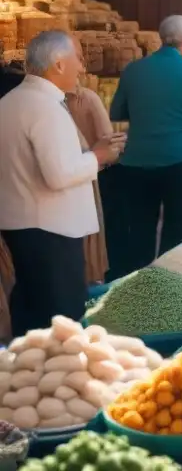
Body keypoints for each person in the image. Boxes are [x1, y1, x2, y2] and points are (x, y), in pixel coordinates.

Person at [0, 31, 124, 335]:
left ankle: (24, 375)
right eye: (77, 59)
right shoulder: (43, 107)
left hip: (25, 225)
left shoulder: (12, 100)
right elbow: (59, 175)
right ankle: (51, 379)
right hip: (49, 229)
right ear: (58, 64)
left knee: (31, 308)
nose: (81, 67)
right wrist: (99, 156)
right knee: (61, 317)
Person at [108, 15, 182, 279]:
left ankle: (139, 286)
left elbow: (116, 111)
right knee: (175, 229)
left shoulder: (134, 70)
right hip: (179, 159)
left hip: (137, 160)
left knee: (141, 228)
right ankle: (167, 285)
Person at [66, 39, 116, 286]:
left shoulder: (84, 98)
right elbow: (110, 145)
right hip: (85, 178)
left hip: (84, 176)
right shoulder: (85, 98)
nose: (82, 66)